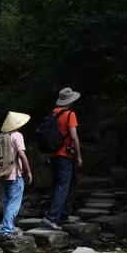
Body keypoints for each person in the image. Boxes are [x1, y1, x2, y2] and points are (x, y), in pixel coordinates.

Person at [42, 87, 82, 230]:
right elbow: (74, 136)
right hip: (66, 154)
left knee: (61, 185)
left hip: (53, 155)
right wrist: (79, 156)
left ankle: (63, 215)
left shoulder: (53, 113)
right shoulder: (70, 114)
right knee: (64, 186)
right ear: (70, 101)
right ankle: (51, 217)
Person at [0, 111, 33, 240]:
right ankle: (6, 230)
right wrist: (28, 172)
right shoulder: (17, 135)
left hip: (3, 174)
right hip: (14, 173)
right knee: (14, 203)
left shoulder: (2, 136)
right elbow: (22, 155)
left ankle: (9, 228)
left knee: (7, 202)